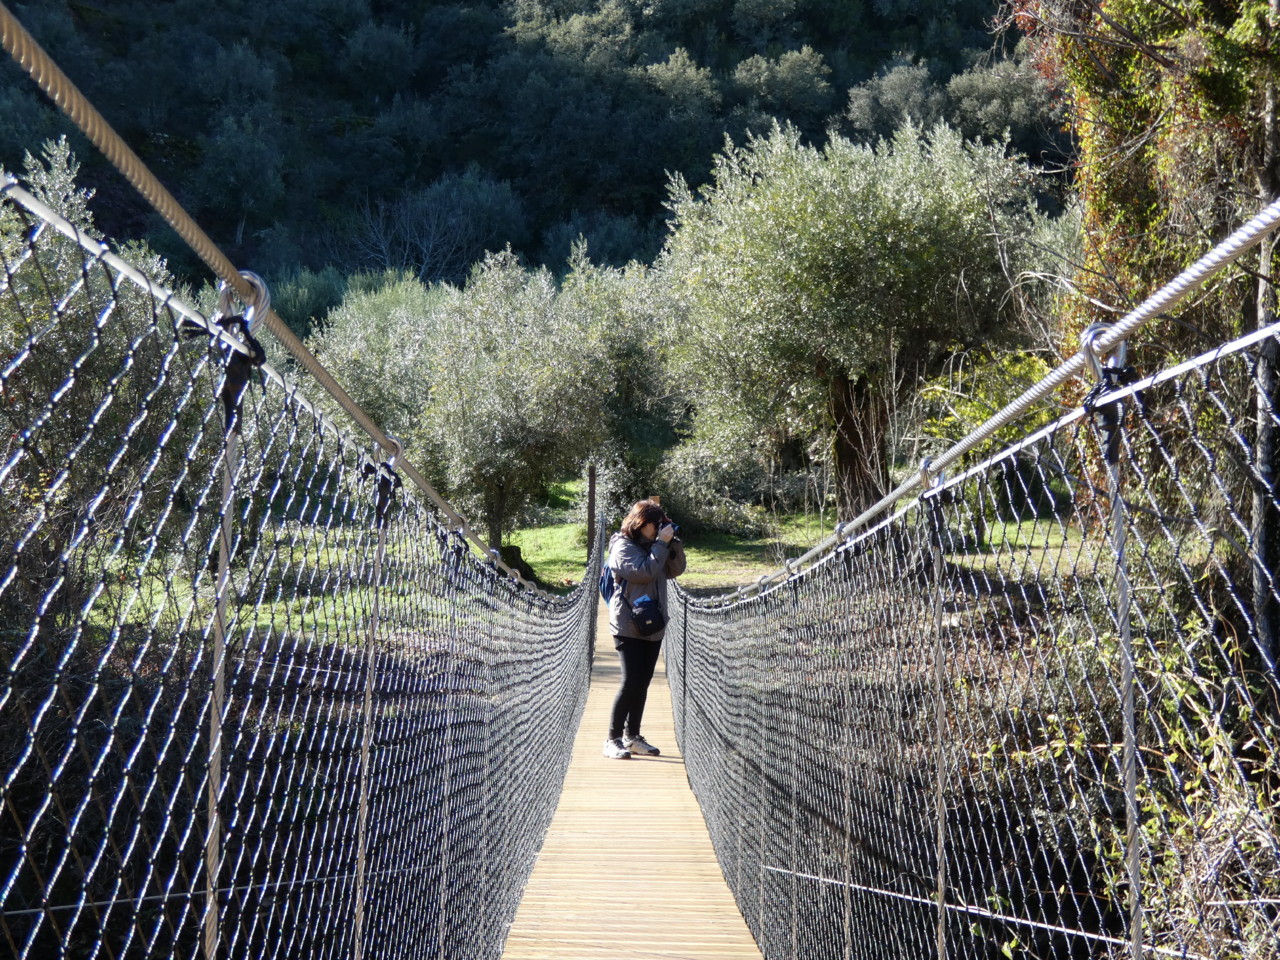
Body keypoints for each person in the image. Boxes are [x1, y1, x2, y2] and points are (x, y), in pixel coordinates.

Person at [603, 499, 687, 759]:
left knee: (643, 683)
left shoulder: (656, 545)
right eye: (655, 525)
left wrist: (672, 543)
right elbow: (644, 572)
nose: (658, 529)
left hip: (654, 622)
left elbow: (676, 570)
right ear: (641, 524)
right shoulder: (622, 546)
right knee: (631, 682)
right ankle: (612, 739)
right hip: (628, 624)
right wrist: (661, 544)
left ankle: (633, 737)